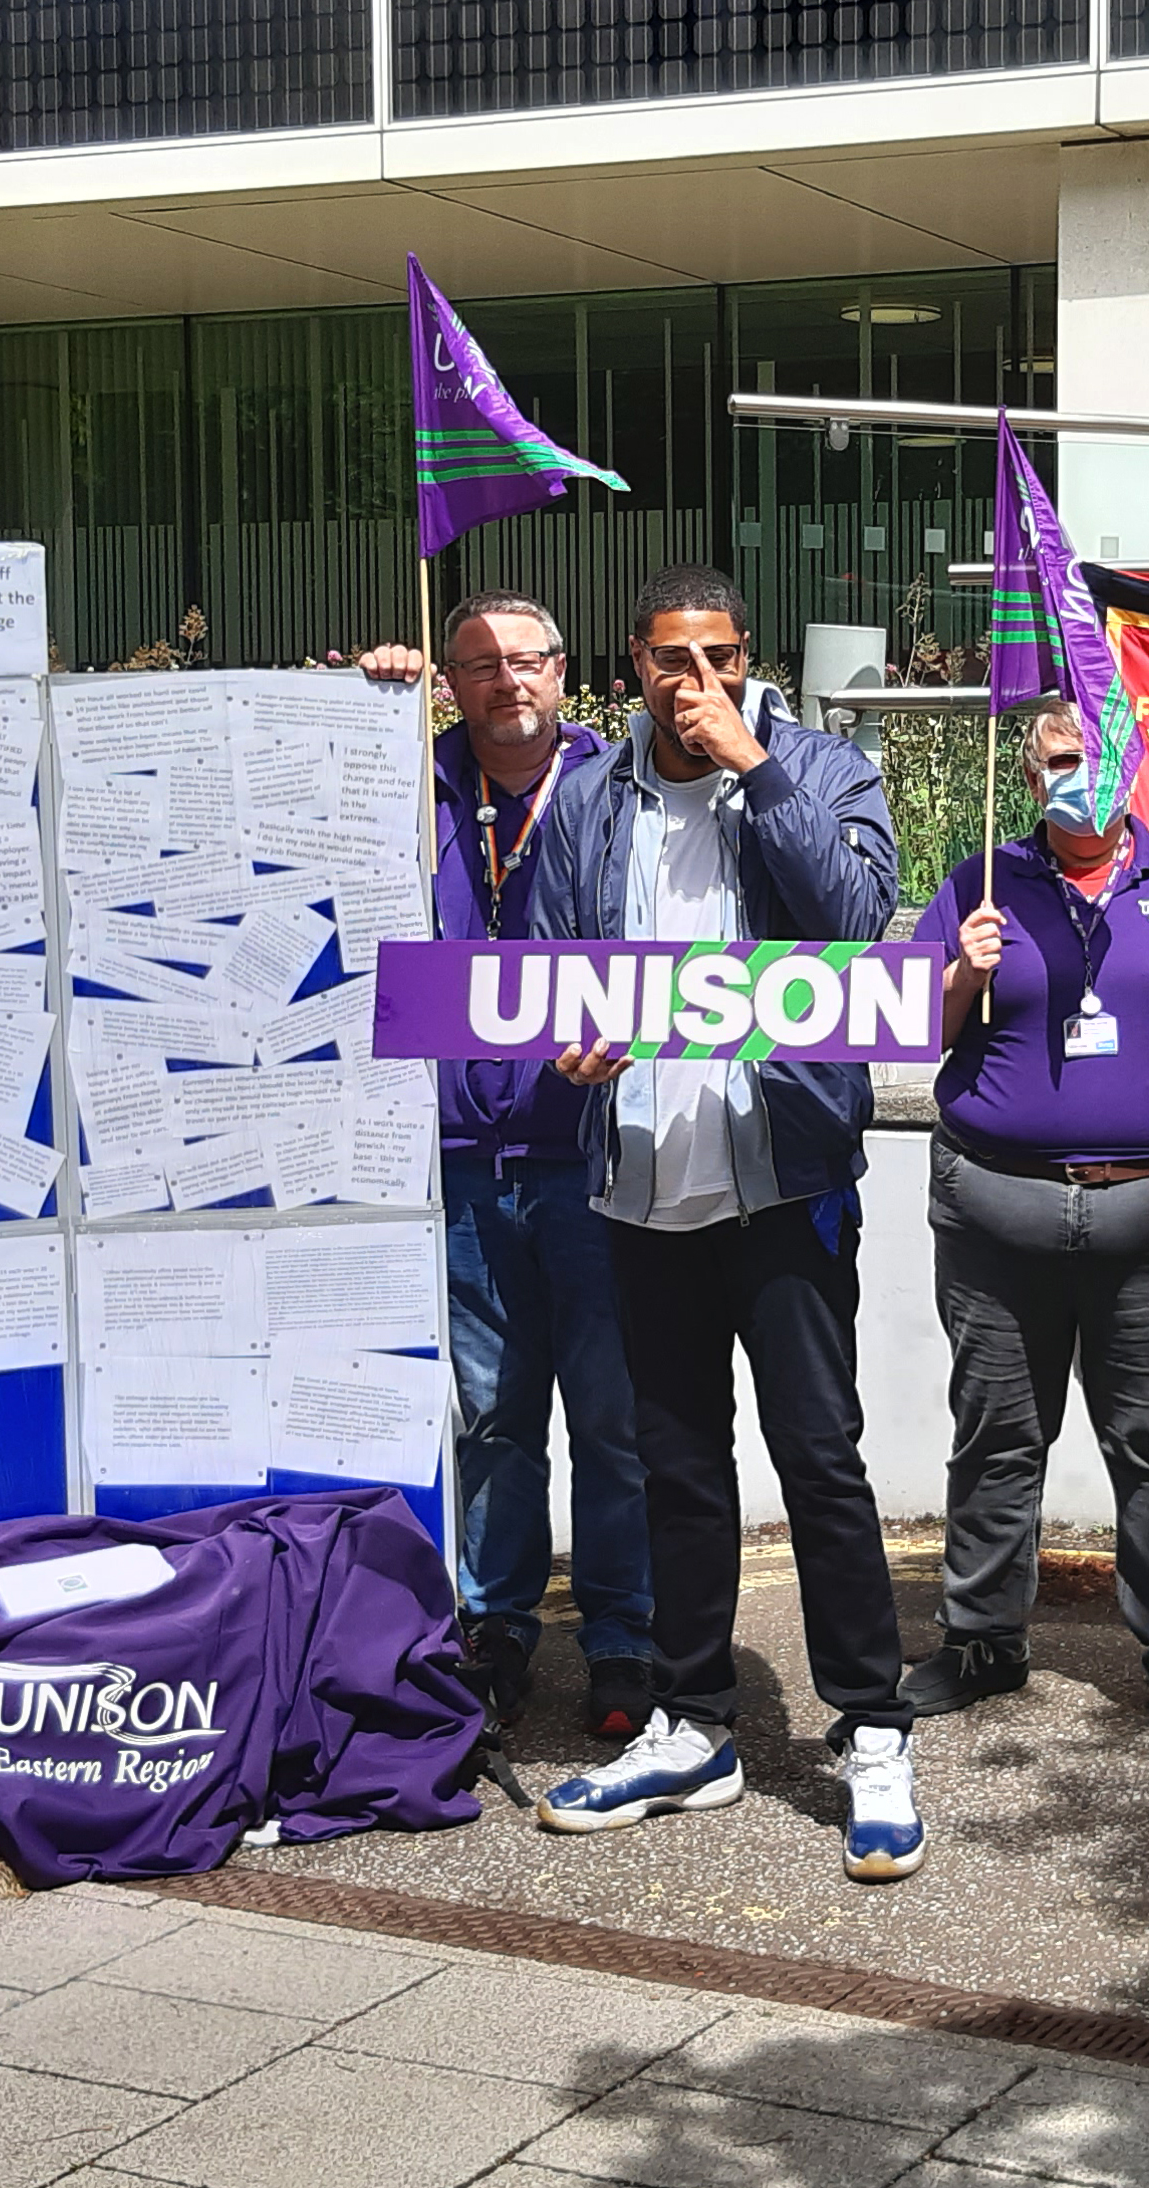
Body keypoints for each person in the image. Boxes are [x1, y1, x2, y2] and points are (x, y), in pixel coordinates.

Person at [522, 566, 929, 1882]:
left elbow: (857, 922)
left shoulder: (820, 765)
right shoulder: (589, 798)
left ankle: (871, 1728)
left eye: (719, 657)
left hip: (784, 1178)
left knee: (820, 1458)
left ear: (749, 659)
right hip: (642, 1174)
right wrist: (563, 1047)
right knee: (671, 1465)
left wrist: (756, 765)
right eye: (668, 660)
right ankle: (692, 1722)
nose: (694, 682)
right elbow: (546, 975)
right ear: (629, 663)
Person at [902, 696, 1149, 1747]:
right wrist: (964, 972)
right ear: (1029, 777)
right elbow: (913, 1030)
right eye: (1062, 760)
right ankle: (981, 1638)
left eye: (1102, 756)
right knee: (996, 1437)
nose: (1083, 775)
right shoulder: (982, 884)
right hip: (996, 1212)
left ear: (1135, 766)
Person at [417, 593, 654, 1743]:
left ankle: (620, 1631)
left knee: (612, 1417)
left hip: (593, 1153)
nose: (508, 679)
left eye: (528, 659)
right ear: (449, 682)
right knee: (494, 1417)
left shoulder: (623, 790)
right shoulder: (409, 786)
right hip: (464, 1161)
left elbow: (681, 951)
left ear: (566, 672)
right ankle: (499, 1623)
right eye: (480, 663)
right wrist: (362, 690)